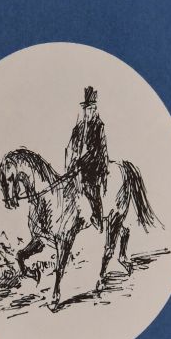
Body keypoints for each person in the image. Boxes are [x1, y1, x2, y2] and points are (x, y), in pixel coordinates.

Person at [64, 85, 109, 231]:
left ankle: (97, 216)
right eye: (85, 109)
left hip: (95, 163)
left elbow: (98, 150)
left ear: (94, 109)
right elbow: (71, 146)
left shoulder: (99, 126)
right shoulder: (79, 127)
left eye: (90, 109)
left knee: (91, 186)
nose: (87, 112)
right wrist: (70, 162)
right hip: (80, 164)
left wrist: (81, 162)